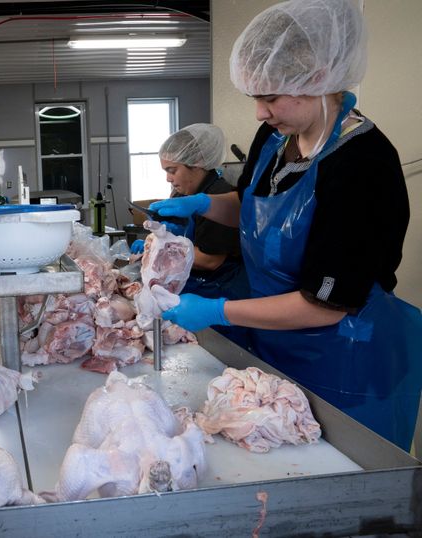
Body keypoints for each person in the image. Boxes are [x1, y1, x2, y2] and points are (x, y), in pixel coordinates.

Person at [150, 0, 422, 450]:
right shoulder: (277, 138)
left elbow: (327, 304)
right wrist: (202, 204)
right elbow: (256, 208)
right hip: (279, 342)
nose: (259, 112)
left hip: (346, 361)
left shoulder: (362, 165)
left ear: (318, 79)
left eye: (270, 97)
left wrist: (216, 312)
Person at [131, 124, 249, 301]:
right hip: (190, 285)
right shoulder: (182, 193)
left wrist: (160, 250)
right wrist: (156, 239)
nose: (168, 179)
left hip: (217, 292)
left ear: (197, 164)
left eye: (172, 171)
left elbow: (211, 260)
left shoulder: (220, 197)